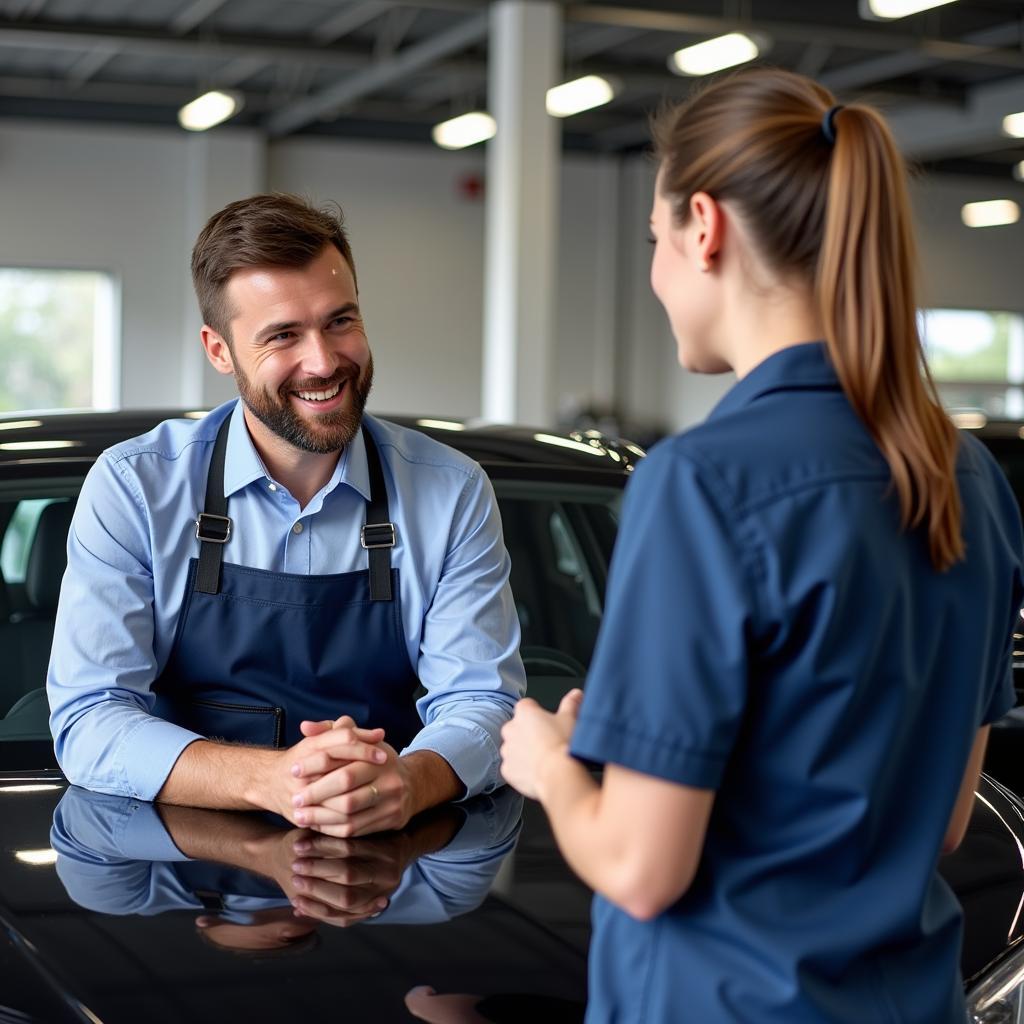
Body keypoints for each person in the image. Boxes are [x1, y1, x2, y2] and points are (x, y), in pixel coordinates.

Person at [499, 68, 1024, 1023]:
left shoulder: (702, 482)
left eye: (654, 241)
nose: (657, 273)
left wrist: (552, 766)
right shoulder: (969, 479)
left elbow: (641, 869)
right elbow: (944, 823)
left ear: (705, 227)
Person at [48, 193, 525, 836]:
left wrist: (408, 784)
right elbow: (92, 718)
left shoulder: (452, 492)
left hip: (394, 854)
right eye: (283, 335)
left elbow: (484, 702)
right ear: (219, 350)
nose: (324, 362)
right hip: (183, 876)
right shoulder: (135, 487)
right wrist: (277, 780)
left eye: (340, 321)